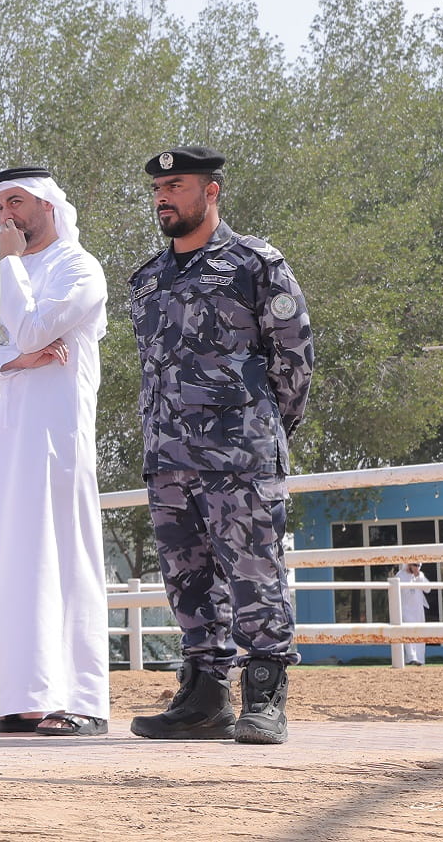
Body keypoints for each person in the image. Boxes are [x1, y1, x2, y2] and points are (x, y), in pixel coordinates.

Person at [126, 146, 312, 746]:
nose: (163, 197)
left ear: (211, 191)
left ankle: (264, 693)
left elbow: (293, 359)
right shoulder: (147, 280)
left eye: (176, 185)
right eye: (158, 188)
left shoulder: (254, 265)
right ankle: (204, 698)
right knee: (187, 580)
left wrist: (263, 433)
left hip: (239, 457)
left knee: (254, 572)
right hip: (168, 458)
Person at [0, 167, 110, 737]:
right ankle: (21, 697)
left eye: (17, 201)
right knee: (11, 559)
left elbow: (35, 329)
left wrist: (8, 266)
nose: (6, 214)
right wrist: (12, 360)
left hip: (57, 438)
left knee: (64, 554)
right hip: (2, 436)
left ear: (48, 206)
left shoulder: (79, 268)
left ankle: (82, 698)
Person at [396, 563, 433, 665]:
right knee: (408, 633)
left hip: (418, 610)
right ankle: (411, 658)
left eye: (418, 565)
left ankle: (420, 659)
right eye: (414, 565)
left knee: (420, 634)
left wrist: (418, 576)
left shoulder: (420, 576)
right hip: (405, 610)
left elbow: (428, 589)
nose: (416, 567)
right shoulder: (400, 575)